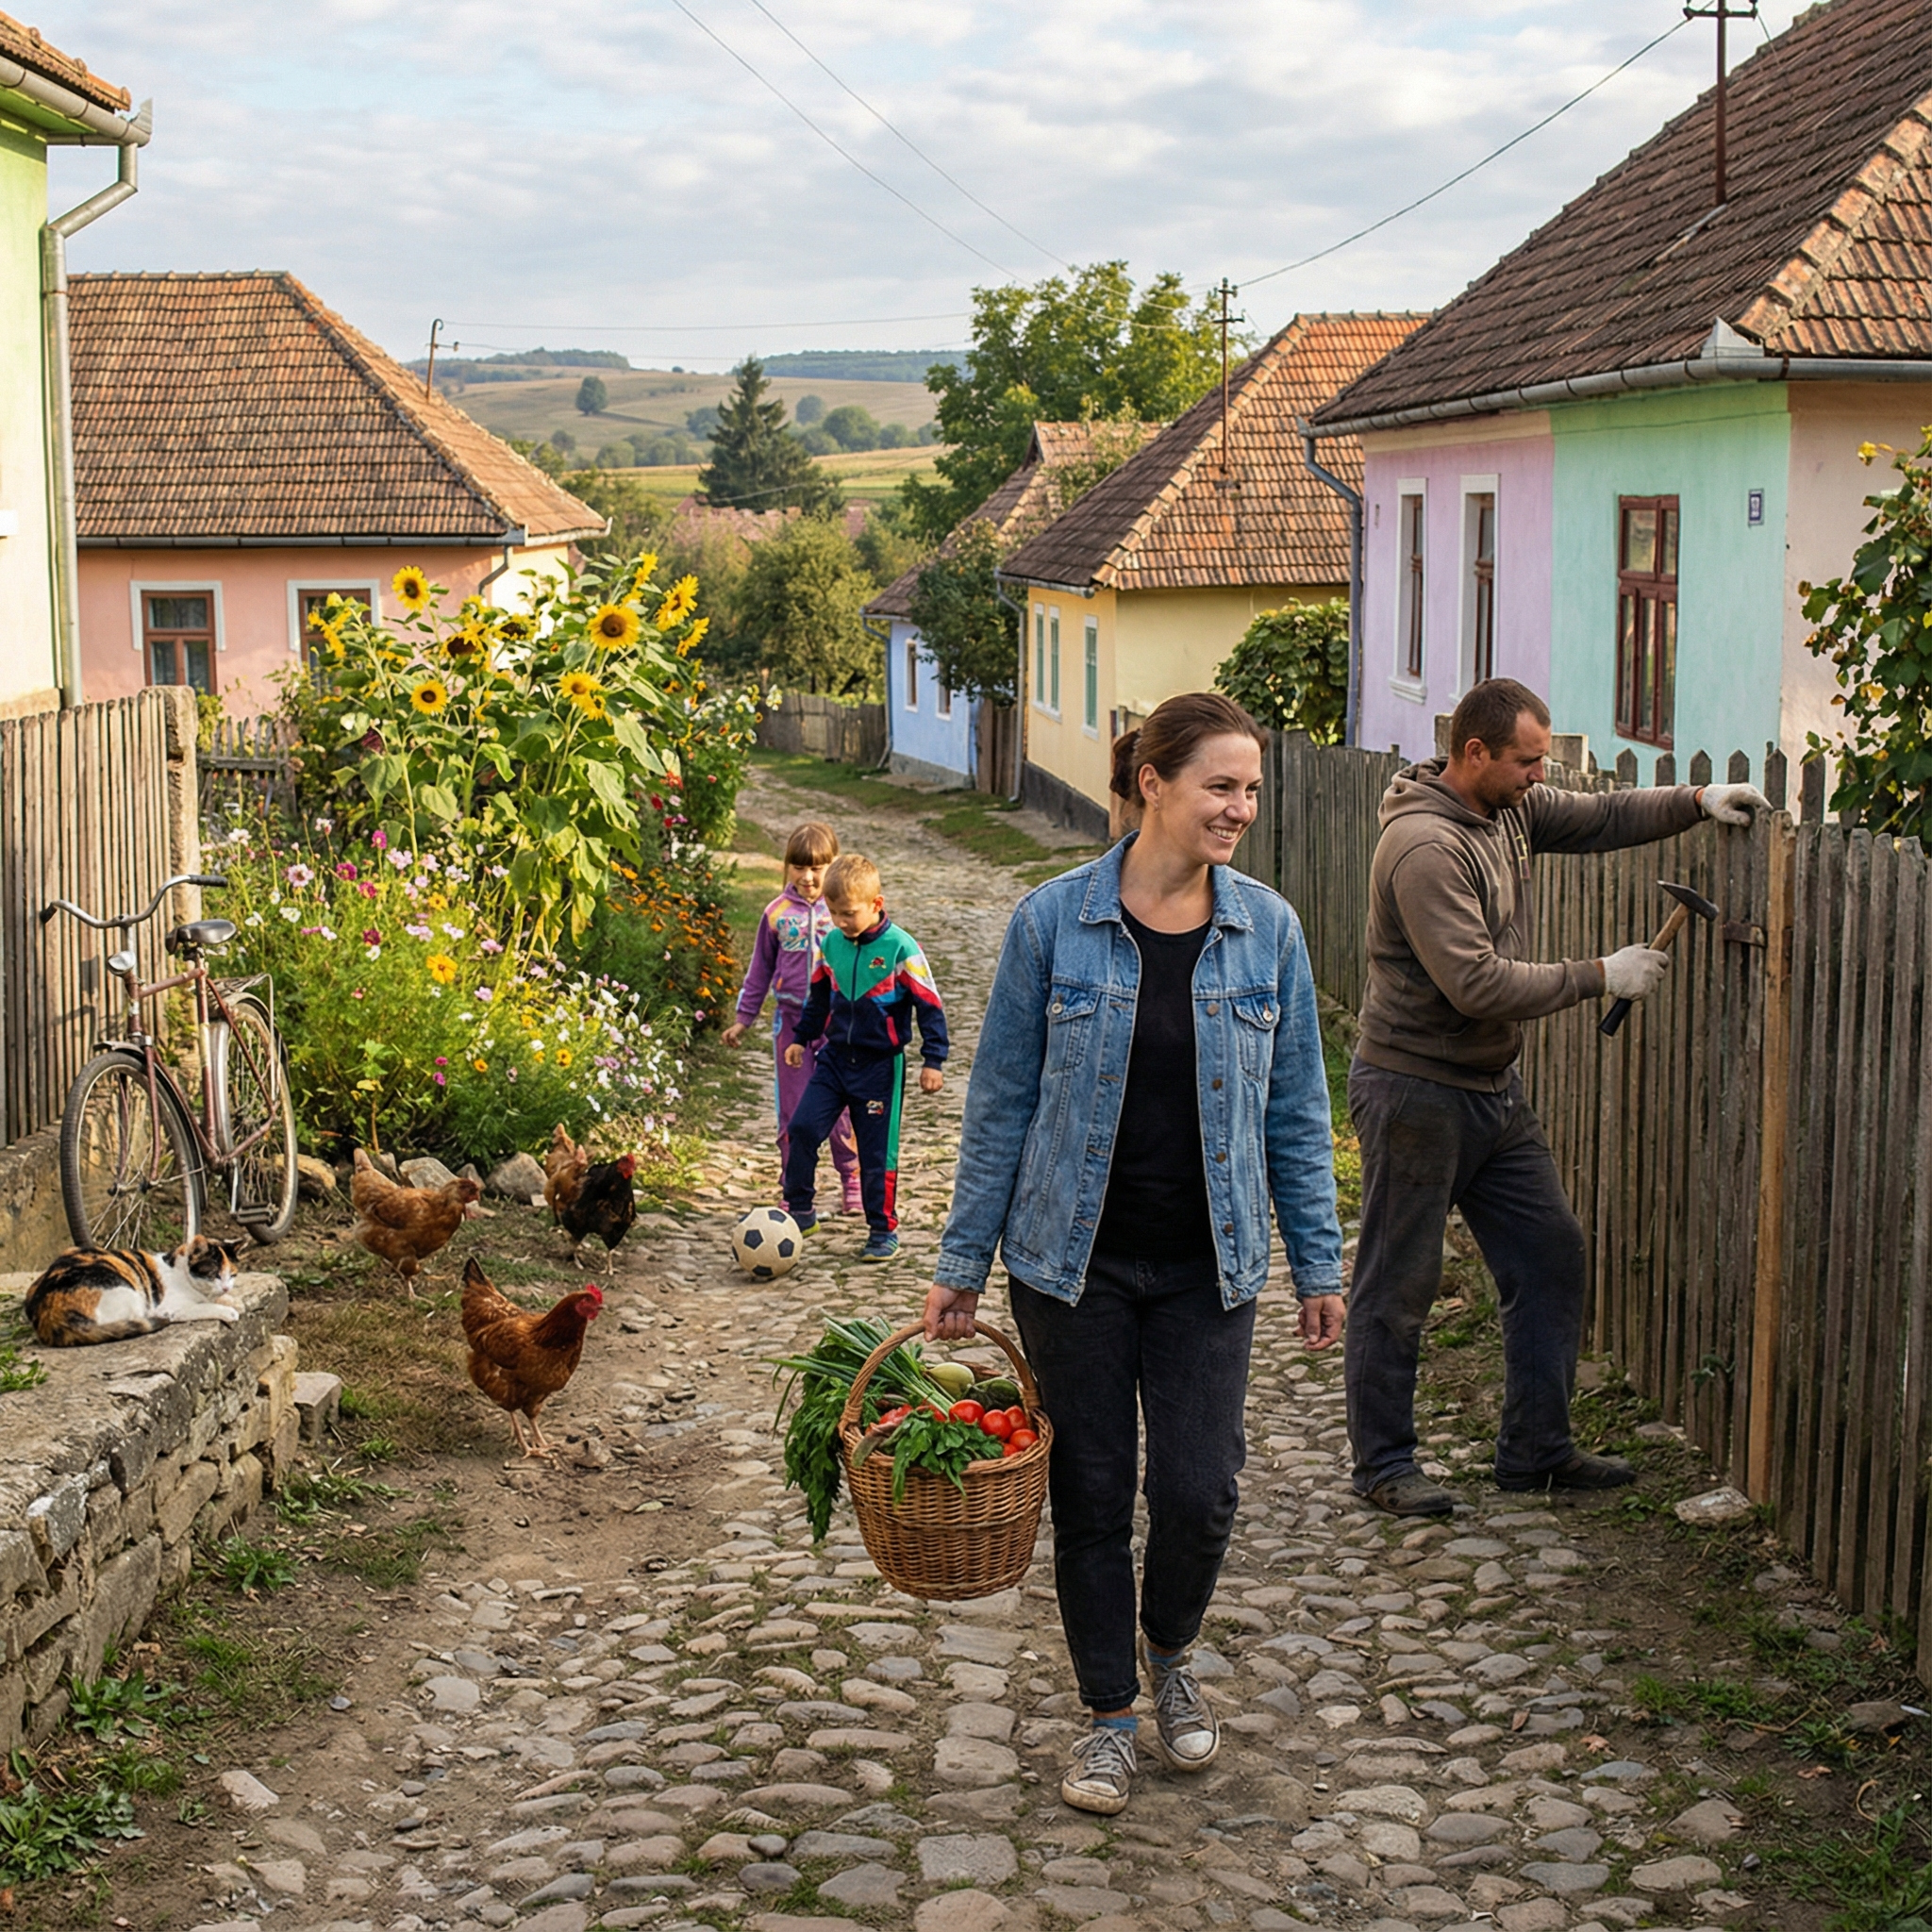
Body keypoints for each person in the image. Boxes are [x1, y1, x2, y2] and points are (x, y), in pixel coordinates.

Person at [926, 692, 1344, 1818]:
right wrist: (961, 1263)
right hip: (1072, 1265)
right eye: (1220, 785)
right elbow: (1000, 1103)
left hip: (1210, 1264)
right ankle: (1109, 1713)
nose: (1239, 808)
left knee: (1201, 1489)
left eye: (1250, 788)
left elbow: (1297, 1113)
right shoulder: (1049, 924)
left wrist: (1318, 1261)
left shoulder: (1269, 930)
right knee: (1094, 1490)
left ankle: (1171, 1649)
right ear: (1152, 781)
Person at [1348, 677, 1770, 1517]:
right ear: (1476, 754)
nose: (1542, 774)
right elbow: (1472, 981)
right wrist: (1598, 975)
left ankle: (1535, 1449)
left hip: (1490, 1089)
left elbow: (1600, 818)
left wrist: (1697, 799)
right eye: (1528, 760)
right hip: (1415, 1091)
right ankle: (1384, 1465)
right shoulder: (1428, 849)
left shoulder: (1506, 808)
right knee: (1399, 1284)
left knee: (1549, 1252)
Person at [783, 852, 948, 1262]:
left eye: (848, 914)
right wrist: (802, 1038)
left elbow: (930, 1005)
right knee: (802, 1128)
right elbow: (818, 998)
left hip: (879, 1067)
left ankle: (882, 1230)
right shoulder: (831, 944)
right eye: (833, 912)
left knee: (877, 1153)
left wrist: (934, 1060)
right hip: (835, 1060)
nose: (840, 922)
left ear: (876, 905)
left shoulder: (901, 949)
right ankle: (800, 1208)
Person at [723, 822, 861, 1214]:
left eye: (818, 867)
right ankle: (795, 1189)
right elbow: (759, 972)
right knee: (794, 1112)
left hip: (837, 1027)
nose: (808, 876)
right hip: (791, 1027)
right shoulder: (776, 915)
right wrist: (743, 1019)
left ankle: (851, 1178)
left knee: (843, 1110)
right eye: (799, 867)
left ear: (834, 866)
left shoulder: (844, 914)